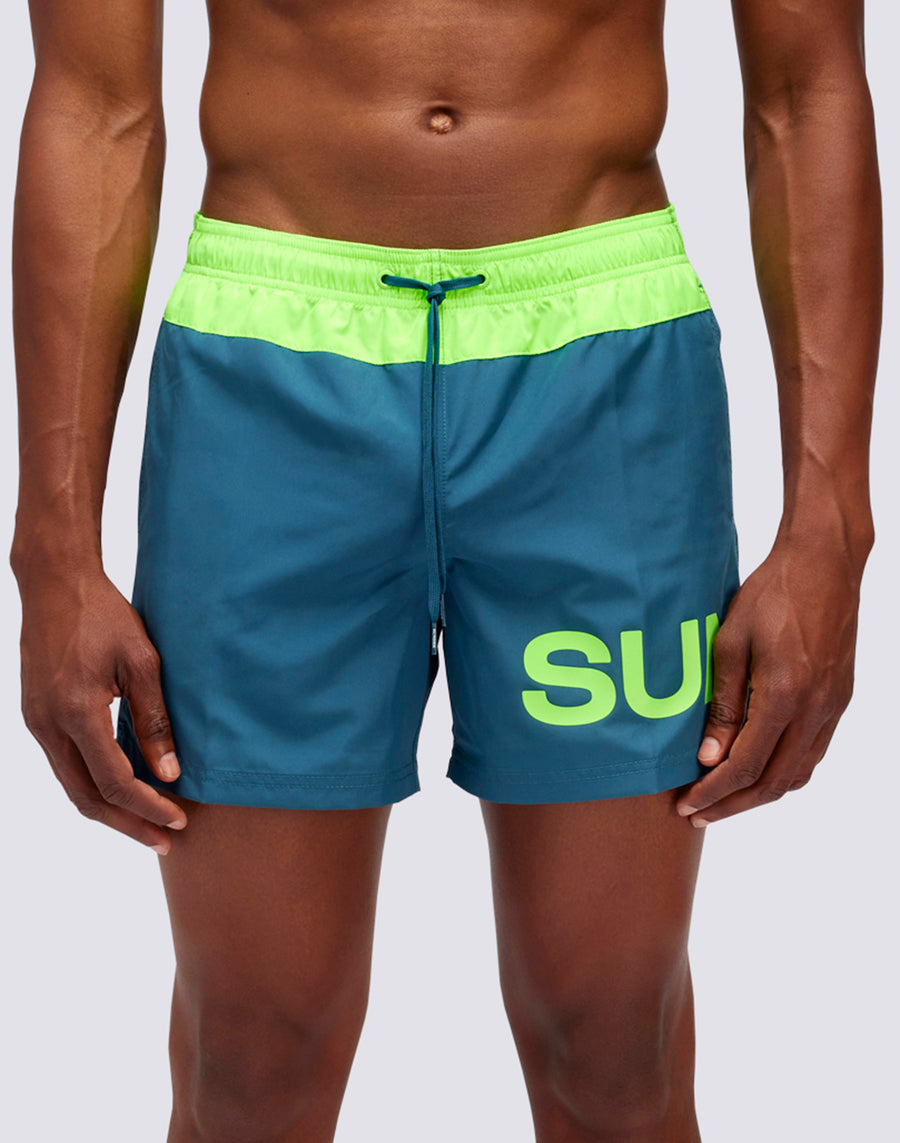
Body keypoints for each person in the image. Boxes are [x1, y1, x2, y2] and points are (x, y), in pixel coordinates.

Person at [10, 0, 880, 1140]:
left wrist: (829, 526)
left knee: (612, 1047)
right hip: (265, 379)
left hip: (602, 376)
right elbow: (95, 106)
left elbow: (806, 89)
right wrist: (53, 549)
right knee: (253, 1062)